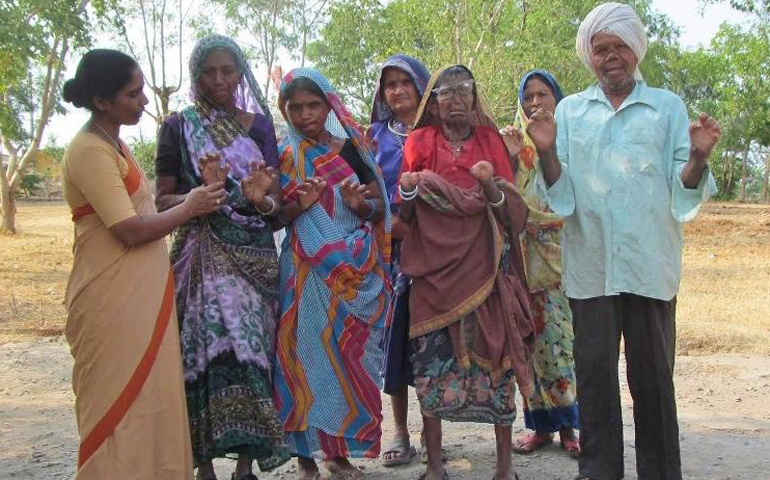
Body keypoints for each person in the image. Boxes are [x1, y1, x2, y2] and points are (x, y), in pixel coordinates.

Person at [526, 4, 721, 480]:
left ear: (635, 52)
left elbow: (684, 191)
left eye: (619, 48)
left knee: (653, 382)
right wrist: (548, 150)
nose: (610, 57)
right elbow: (561, 196)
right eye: (601, 49)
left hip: (649, 268)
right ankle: (598, 472)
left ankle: (660, 473)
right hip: (590, 270)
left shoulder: (667, 109)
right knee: (594, 381)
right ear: (589, 56)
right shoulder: (571, 112)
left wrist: (696, 155)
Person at [61, 49, 226, 480]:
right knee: (120, 406)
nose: (143, 102)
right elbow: (130, 229)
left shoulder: (115, 143)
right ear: (102, 100)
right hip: (110, 298)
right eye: (133, 95)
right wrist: (191, 206)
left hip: (143, 296)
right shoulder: (89, 151)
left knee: (153, 399)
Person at [154, 34, 290, 480]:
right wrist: (198, 197)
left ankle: (247, 465)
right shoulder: (178, 125)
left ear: (239, 73)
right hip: (200, 252)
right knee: (201, 354)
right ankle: (205, 466)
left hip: (252, 254)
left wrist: (259, 197)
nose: (218, 80)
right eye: (209, 71)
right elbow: (161, 200)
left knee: (252, 351)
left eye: (227, 71)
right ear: (196, 74)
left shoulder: (258, 126)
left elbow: (274, 201)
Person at [399, 65, 536, 480]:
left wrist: (489, 185)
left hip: (484, 270)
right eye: (446, 93)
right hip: (432, 271)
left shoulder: (490, 140)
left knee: (498, 361)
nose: (455, 100)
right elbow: (405, 213)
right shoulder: (419, 140)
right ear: (434, 103)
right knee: (430, 365)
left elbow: (510, 211)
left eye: (463, 92)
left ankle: (503, 469)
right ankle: (436, 466)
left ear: (475, 99)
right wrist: (409, 188)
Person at [272, 68, 393, 480]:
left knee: (345, 358)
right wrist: (299, 207)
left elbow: (381, 209)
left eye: (313, 105)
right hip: (305, 271)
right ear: (284, 110)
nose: (305, 114)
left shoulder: (352, 150)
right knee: (300, 359)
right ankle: (305, 458)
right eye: (296, 107)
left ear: (329, 105)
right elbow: (273, 217)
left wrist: (361, 207)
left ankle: (338, 456)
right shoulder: (284, 154)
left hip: (352, 270)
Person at [500, 70, 580, 457]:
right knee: (527, 345)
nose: (535, 102)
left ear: (557, 98)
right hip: (520, 258)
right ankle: (539, 427)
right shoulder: (513, 142)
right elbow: (505, 200)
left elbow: (573, 197)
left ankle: (569, 427)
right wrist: (511, 160)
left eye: (543, 94)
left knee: (560, 343)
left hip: (561, 257)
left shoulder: (571, 140)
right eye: (528, 95)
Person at [368, 54, 431, 468]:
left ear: (422, 86)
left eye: (405, 81)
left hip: (436, 250)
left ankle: (433, 431)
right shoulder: (373, 137)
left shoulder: (439, 133)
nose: (397, 90)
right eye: (389, 83)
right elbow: (363, 188)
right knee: (394, 343)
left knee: (429, 341)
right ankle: (400, 431)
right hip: (390, 251)